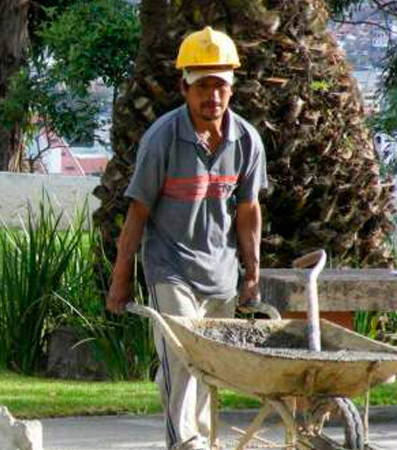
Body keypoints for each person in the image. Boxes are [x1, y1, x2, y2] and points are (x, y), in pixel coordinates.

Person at [106, 27, 267, 450]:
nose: (211, 96)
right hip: (170, 268)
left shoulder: (247, 140)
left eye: (220, 86)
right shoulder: (161, 138)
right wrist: (121, 277)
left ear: (232, 88)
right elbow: (138, 211)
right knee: (182, 360)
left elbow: (249, 210)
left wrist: (252, 272)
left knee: (209, 365)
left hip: (221, 272)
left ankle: (202, 437)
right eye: (202, 86)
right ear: (184, 87)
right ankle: (185, 444)